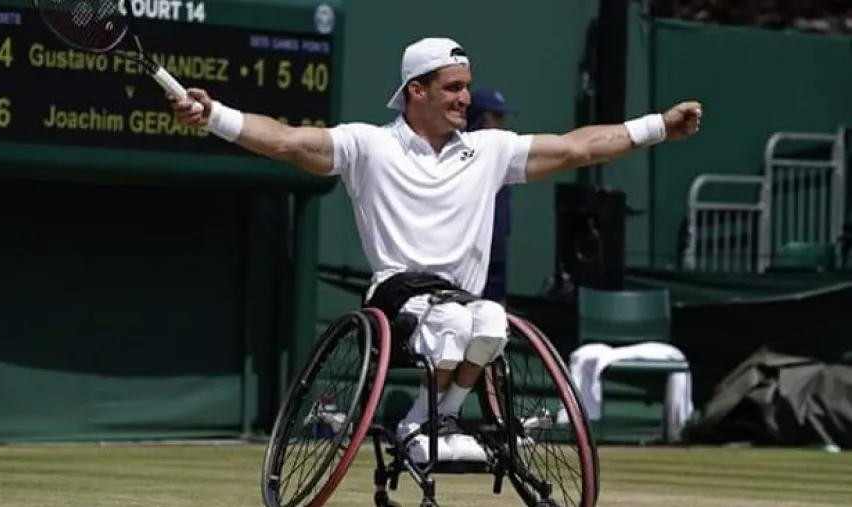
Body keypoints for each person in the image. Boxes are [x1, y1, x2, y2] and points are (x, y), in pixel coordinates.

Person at [172, 37, 702, 464]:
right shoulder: (367, 145)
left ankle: (433, 416)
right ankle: (427, 423)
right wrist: (215, 114)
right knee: (454, 322)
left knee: (492, 321)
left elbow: (576, 146)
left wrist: (659, 127)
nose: (464, 99)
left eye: (466, 88)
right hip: (396, 298)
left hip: (462, 305)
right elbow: (286, 140)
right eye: (451, 88)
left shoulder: (489, 151)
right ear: (414, 91)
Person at [466, 87, 516, 304]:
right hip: (469, 257)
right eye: (497, 116)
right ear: (483, 118)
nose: (501, 122)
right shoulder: (462, 155)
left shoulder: (501, 153)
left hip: (496, 255)